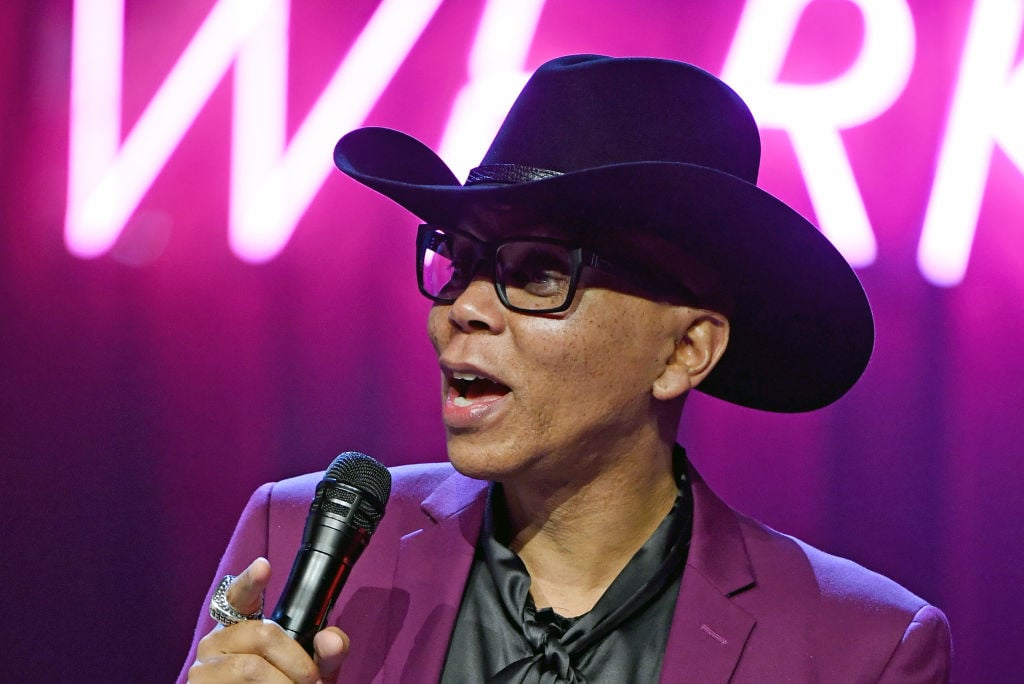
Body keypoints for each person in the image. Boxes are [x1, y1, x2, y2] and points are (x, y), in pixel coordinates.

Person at [181, 54, 952, 683]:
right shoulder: (300, 537)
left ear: (685, 351)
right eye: (460, 262)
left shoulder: (860, 647)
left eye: (540, 273)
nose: (463, 308)